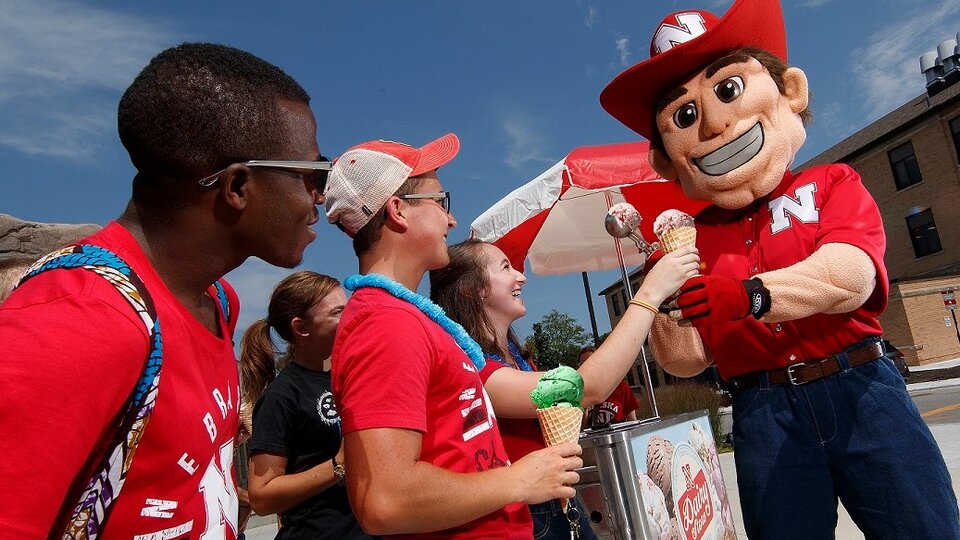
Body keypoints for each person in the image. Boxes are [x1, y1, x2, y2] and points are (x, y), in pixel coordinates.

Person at [599, 0, 960, 538]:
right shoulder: (691, 239)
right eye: (685, 116)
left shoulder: (831, 184)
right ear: (665, 160)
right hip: (763, 410)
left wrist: (750, 295)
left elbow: (852, 273)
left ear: (788, 91)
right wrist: (659, 288)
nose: (716, 124)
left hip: (860, 386)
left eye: (727, 90)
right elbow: (687, 361)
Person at [0, 42, 328, 538]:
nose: (319, 195)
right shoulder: (79, 322)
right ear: (237, 187)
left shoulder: (218, 301)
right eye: (310, 174)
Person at [324, 134, 583, 539]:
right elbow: (385, 501)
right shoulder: (385, 323)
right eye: (440, 201)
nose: (452, 219)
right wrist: (517, 480)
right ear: (398, 211)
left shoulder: (408, 318)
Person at [429, 239, 698, 540]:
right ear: (470, 289)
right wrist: (648, 294)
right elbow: (587, 388)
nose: (522, 276)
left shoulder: (517, 360)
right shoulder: (476, 369)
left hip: (556, 504)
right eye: (506, 267)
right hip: (525, 514)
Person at [239, 271, 372, 539]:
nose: (351, 317)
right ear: (301, 328)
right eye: (337, 312)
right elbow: (262, 497)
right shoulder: (282, 396)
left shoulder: (352, 375)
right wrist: (340, 463)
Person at [577, 346, 638, 428]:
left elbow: (633, 421)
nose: (586, 367)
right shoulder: (579, 393)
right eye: (582, 364)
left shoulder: (621, 387)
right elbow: (582, 430)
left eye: (590, 362)